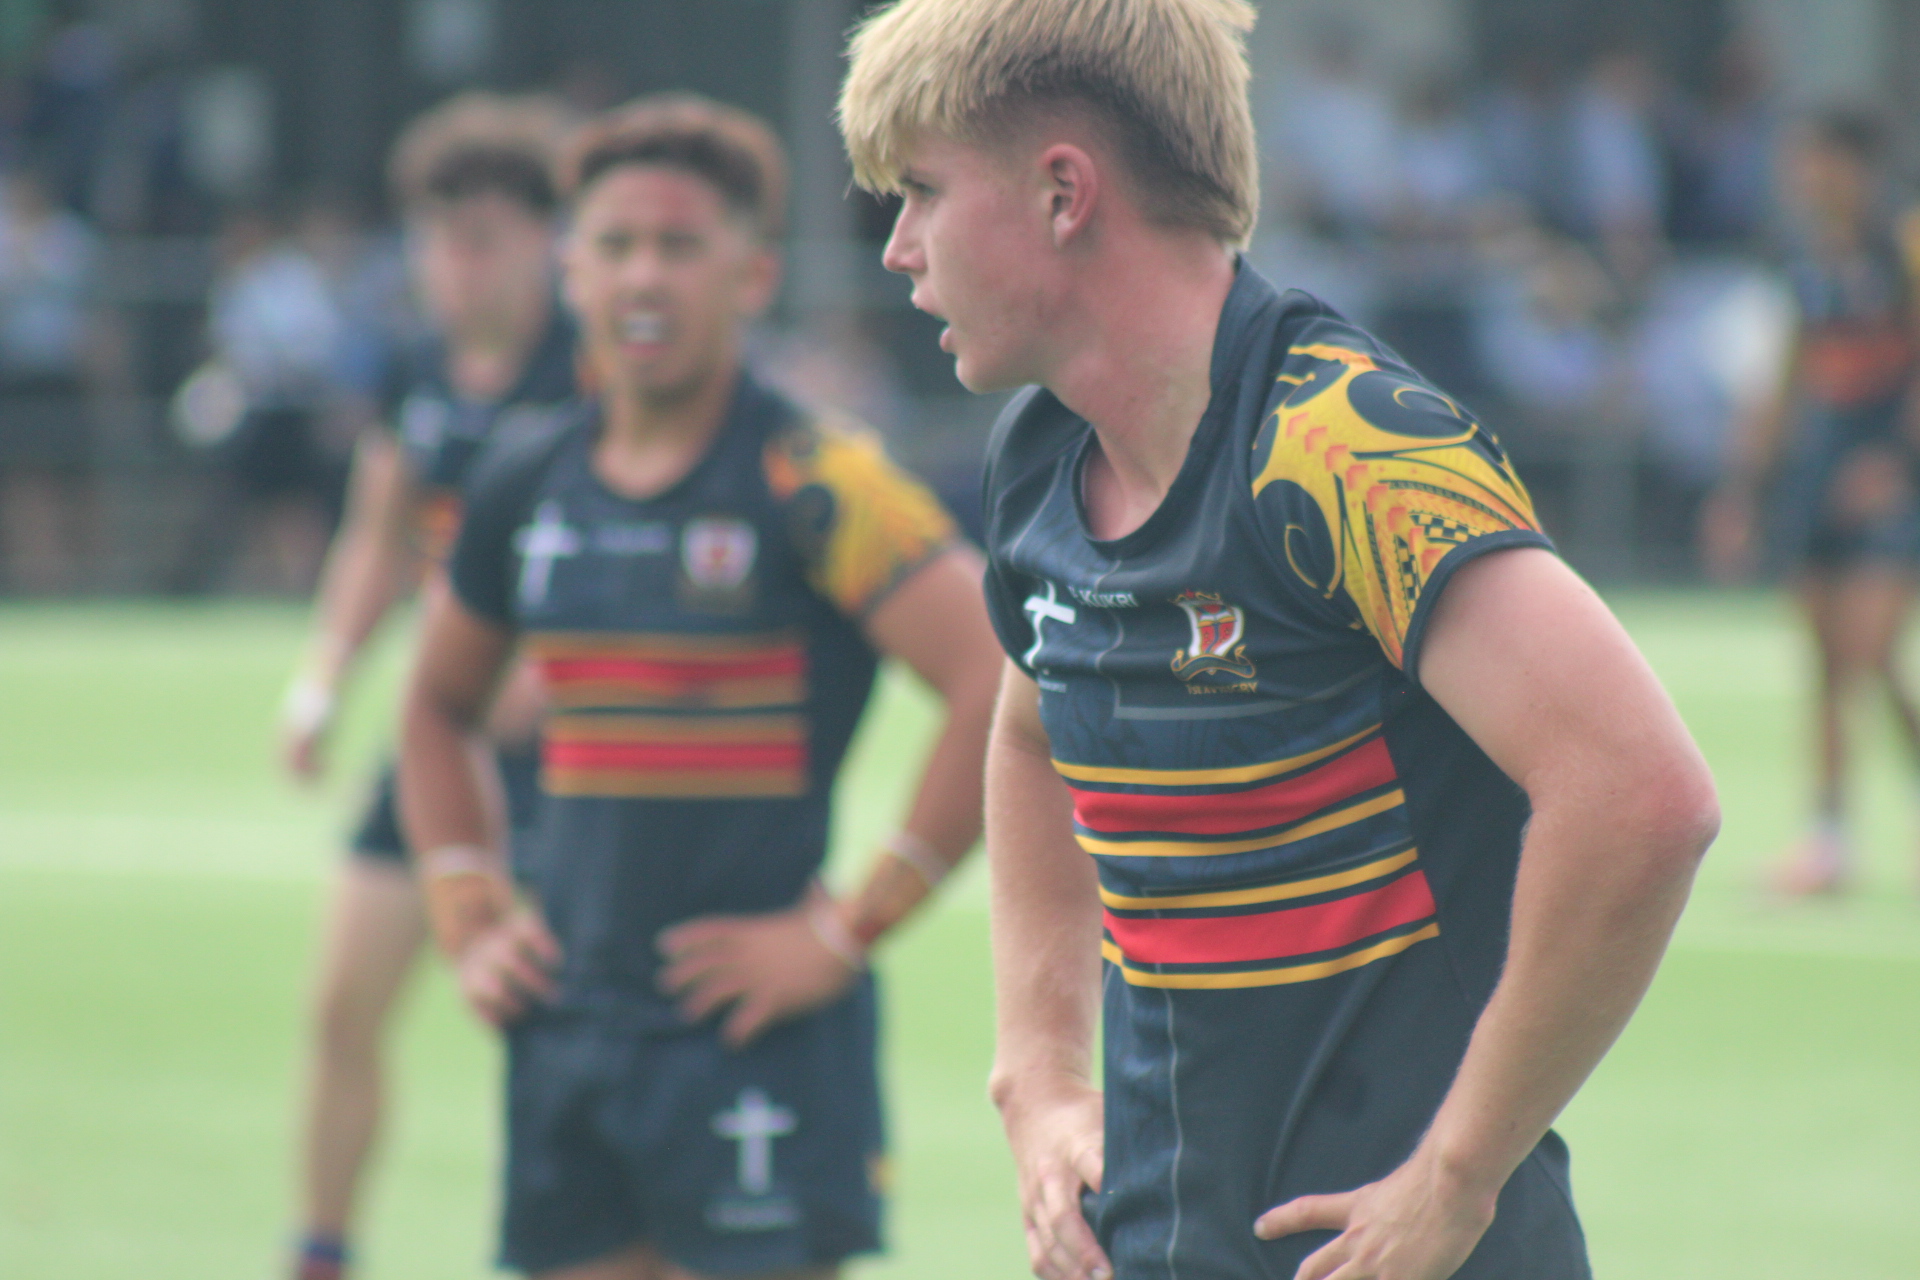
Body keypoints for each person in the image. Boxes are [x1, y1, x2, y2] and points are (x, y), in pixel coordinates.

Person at [839, 3, 1722, 1279]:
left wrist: (1458, 1173)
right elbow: (1032, 734)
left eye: (922, 191)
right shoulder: (1041, 454)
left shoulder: (1343, 446)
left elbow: (1641, 794)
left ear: (1063, 193)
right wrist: (1037, 1073)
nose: (898, 248)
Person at [398, 95, 1002, 1280]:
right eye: (614, 244)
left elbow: (997, 679)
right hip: (568, 1027)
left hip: (755, 1038)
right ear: (570, 267)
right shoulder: (523, 478)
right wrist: (466, 905)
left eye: (679, 245)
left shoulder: (815, 475)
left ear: (752, 274)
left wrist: (844, 929)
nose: (644, 276)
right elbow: (432, 706)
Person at [276, 92, 578, 1280]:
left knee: (561, 1037)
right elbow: (378, 531)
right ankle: (320, 1249)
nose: (456, 265)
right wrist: (322, 680)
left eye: (483, 238)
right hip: (437, 738)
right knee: (341, 1005)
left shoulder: (595, 368)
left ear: (543, 239)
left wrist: (550, 669)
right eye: (438, 238)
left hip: (575, 759)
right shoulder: (415, 366)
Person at [1702, 106, 1920, 895]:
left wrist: (1896, 463)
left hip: (1890, 479)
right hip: (1818, 475)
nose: (1801, 178)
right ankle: (1827, 841)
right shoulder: (1801, 257)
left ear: (1855, 165)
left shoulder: (1904, 242)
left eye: (1814, 161)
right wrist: (1744, 491)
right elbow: (1785, 378)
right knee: (1828, 662)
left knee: (1871, 651)